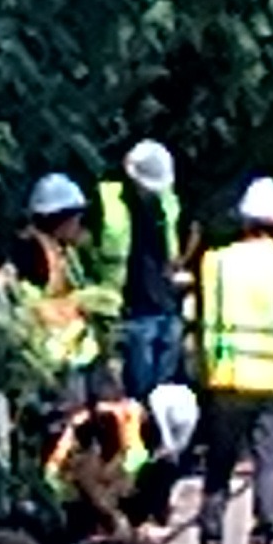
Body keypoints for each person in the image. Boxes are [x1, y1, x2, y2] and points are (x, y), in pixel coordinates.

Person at [191, 176, 273, 544]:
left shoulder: (216, 263)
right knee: (269, 464)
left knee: (220, 462)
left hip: (227, 375)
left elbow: (199, 320)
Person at [43, 381, 196, 544]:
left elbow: (135, 460)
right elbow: (66, 463)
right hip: (83, 486)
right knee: (90, 478)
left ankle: (130, 528)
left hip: (117, 480)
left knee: (154, 471)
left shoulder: (128, 420)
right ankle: (102, 533)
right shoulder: (90, 425)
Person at [90, 140, 187, 399]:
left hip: (166, 305)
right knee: (140, 391)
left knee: (165, 391)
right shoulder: (106, 199)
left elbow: (172, 245)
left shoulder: (167, 200)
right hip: (131, 308)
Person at [14, 174, 108, 411]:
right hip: (49, 363)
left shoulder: (63, 250)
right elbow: (30, 306)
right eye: (75, 219)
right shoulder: (31, 254)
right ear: (60, 220)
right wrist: (76, 303)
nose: (79, 225)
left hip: (71, 357)